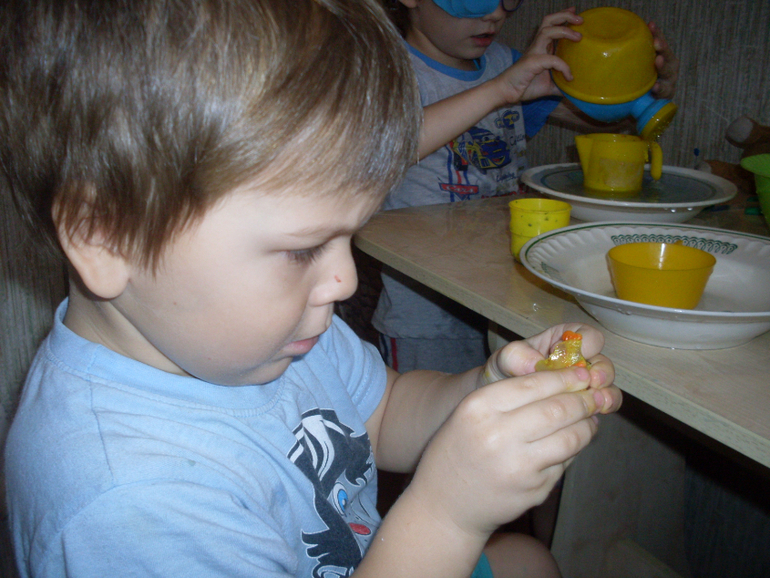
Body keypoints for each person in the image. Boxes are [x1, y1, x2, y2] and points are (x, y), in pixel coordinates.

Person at [1, 1, 622, 577]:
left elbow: (385, 414)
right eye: (302, 249)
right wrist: (447, 515)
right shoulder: (129, 504)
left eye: (350, 234)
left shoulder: (274, 333)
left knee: (525, 559)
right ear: (105, 236)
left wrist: (489, 388)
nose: (344, 280)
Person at [372, 0, 680, 375]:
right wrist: (499, 89)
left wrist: (640, 90)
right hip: (427, 313)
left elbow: (601, 122)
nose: (496, 13)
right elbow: (381, 149)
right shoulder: (386, 67)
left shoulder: (505, 63)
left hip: (507, 296)